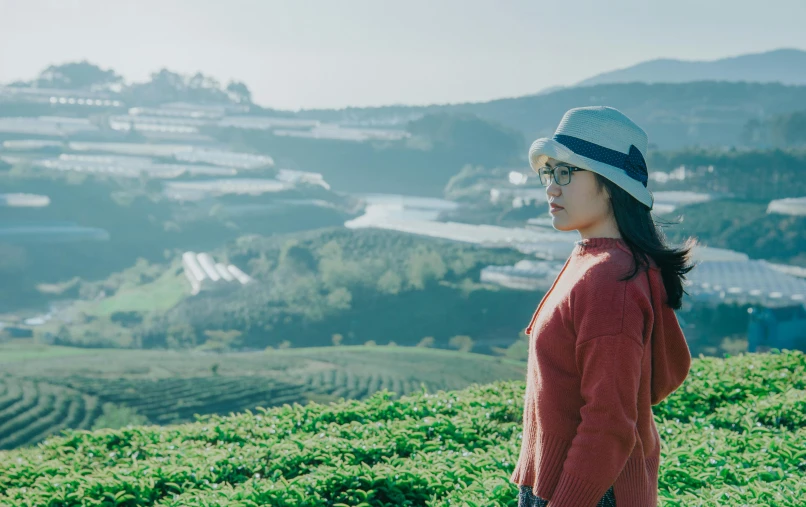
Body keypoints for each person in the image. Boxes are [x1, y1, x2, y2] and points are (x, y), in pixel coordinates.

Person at [509, 106, 696, 507]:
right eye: (549, 173)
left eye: (566, 173)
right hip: (567, 485)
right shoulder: (596, 259)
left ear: (610, 184)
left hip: (584, 493)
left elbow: (609, 421)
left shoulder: (611, 278)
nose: (551, 188)